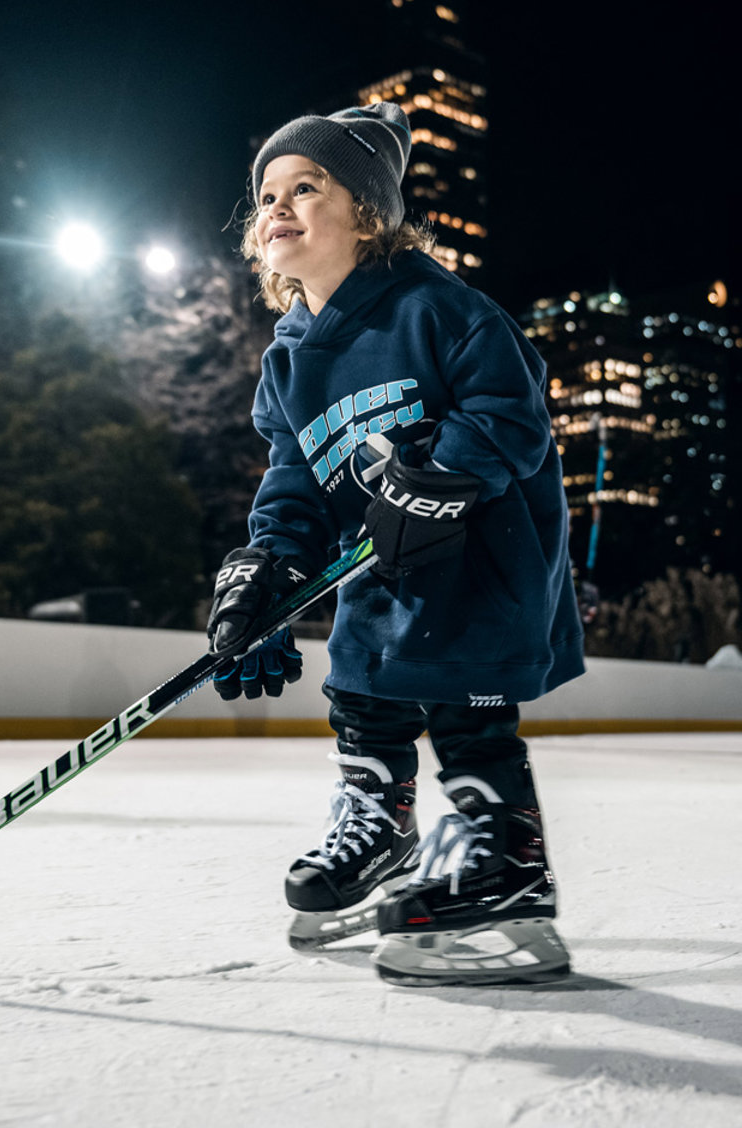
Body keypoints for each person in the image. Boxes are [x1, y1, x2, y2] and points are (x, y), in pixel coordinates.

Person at [206, 103, 585, 986]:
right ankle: (379, 828)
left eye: (308, 187)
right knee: (361, 694)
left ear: (368, 213)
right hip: (380, 572)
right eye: (267, 195)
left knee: (464, 710)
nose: (278, 206)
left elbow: (511, 413)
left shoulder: (437, 308)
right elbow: (295, 482)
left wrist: (441, 474)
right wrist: (268, 566)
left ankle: (506, 866)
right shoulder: (288, 361)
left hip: (481, 569)